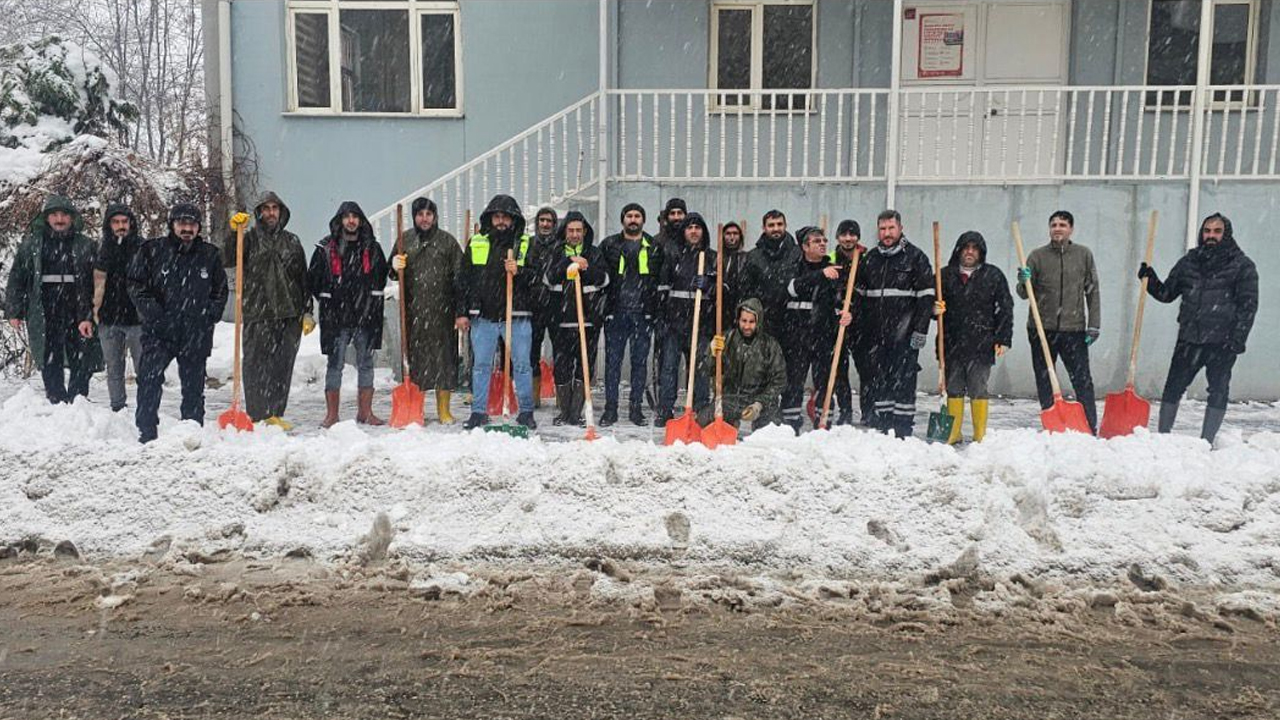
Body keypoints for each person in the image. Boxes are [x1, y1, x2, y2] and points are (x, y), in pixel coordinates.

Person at [1139, 213, 1258, 444]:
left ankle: (1206, 440)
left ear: (1226, 234)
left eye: (1216, 231)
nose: (1210, 236)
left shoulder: (1242, 265)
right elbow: (1167, 294)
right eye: (1207, 231)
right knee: (1172, 388)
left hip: (1222, 342)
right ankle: (1164, 437)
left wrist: (1237, 339)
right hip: (1189, 338)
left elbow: (1248, 306)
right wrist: (1149, 280)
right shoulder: (1189, 262)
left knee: (1218, 390)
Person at [129, 203, 228, 443]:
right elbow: (136, 285)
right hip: (159, 332)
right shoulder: (152, 251)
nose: (187, 229)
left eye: (192, 224)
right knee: (149, 380)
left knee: (194, 387)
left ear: (198, 228)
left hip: (196, 332)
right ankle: (146, 432)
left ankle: (192, 432)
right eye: (182, 223)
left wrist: (209, 315)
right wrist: (155, 315)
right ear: (172, 225)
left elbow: (220, 291)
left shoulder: (210, 255)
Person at [5, 195, 102, 404]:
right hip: (44, 308)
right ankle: (56, 398)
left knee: (82, 353)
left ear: (71, 218)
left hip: (78, 307)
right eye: (55, 215)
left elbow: (99, 280)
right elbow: (17, 277)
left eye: (64, 215)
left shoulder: (86, 245)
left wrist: (97, 308)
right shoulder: (32, 244)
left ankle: (78, 400)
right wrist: (14, 311)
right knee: (50, 354)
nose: (59, 219)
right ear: (47, 218)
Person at [225, 192, 310, 430]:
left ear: (281, 212)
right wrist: (234, 233)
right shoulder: (248, 239)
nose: (271, 212)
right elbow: (228, 258)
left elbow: (303, 278)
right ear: (259, 212)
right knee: (255, 364)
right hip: (257, 313)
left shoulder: (292, 241)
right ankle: (257, 414)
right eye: (267, 208)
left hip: (288, 314)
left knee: (282, 366)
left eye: (275, 208)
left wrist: (308, 311)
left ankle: (275, 413)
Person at [1016, 210, 1101, 433]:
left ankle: (1089, 426)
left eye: (1062, 224)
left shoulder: (1083, 255)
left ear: (1071, 229)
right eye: (1053, 224)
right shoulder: (1037, 256)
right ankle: (1052, 423)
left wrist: (1094, 324)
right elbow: (1024, 294)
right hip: (1041, 329)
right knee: (1045, 380)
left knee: (1082, 380)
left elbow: (1092, 291)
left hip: (1073, 329)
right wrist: (1024, 281)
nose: (1057, 228)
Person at [854, 210, 934, 438]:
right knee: (880, 381)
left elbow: (926, 297)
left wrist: (920, 329)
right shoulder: (870, 259)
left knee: (904, 382)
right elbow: (858, 297)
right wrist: (856, 324)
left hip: (905, 336)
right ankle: (884, 424)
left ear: (900, 228)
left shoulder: (915, 257)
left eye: (891, 228)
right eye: (882, 229)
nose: (887, 233)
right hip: (876, 335)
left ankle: (902, 428)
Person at [308, 201, 389, 428]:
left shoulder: (372, 248)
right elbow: (313, 279)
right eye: (346, 217)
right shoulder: (325, 248)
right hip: (336, 318)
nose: (351, 221)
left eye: (355, 216)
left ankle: (366, 412)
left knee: (366, 363)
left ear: (361, 220)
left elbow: (382, 276)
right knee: (335, 365)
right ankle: (332, 415)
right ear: (340, 220)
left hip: (366, 316)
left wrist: (366, 300)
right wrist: (330, 298)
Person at [460, 194, 537, 430]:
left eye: (506, 217)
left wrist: (520, 271)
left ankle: (525, 412)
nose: (501, 221)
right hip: (484, 316)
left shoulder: (525, 244)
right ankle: (478, 412)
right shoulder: (477, 243)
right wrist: (462, 312)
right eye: (497, 217)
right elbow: (463, 280)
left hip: (517, 316)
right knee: (481, 365)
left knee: (522, 365)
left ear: (514, 220)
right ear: (490, 219)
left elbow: (537, 276)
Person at [389, 197, 465, 424]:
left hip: (443, 313)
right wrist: (395, 265)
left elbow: (460, 279)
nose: (424, 219)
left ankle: (444, 410)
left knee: (445, 362)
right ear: (414, 217)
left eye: (429, 214)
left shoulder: (447, 243)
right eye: (420, 214)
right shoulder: (405, 241)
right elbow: (391, 273)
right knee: (416, 362)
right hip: (414, 313)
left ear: (435, 217)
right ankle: (416, 408)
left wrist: (459, 311)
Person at [936, 231, 1014, 443]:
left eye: (974, 248)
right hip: (951, 342)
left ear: (981, 252)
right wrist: (934, 310)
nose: (970, 252)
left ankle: (980, 433)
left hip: (981, 343)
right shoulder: (944, 276)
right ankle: (954, 432)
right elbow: (929, 305)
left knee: (978, 387)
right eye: (966, 247)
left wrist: (1003, 338)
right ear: (959, 250)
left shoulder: (993, 276)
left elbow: (1005, 308)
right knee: (953, 387)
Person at [543, 211, 609, 426]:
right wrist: (568, 262)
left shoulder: (594, 253)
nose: (574, 234)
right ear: (564, 231)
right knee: (562, 367)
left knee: (584, 366)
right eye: (570, 230)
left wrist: (586, 267)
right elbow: (548, 277)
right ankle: (564, 411)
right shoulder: (555, 252)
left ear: (585, 232)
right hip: (560, 320)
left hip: (588, 321)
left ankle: (578, 411)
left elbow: (604, 279)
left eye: (578, 230)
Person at [598, 202, 661, 426]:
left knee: (639, 363)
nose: (633, 219)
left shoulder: (653, 246)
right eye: (629, 216)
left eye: (637, 216)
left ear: (643, 220)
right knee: (612, 364)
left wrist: (653, 311)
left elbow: (657, 282)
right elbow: (601, 279)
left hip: (642, 314)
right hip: (616, 313)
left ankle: (636, 409)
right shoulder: (609, 245)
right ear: (623, 219)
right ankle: (610, 409)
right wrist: (605, 309)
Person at [780, 226, 847, 433]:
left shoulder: (835, 269)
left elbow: (843, 300)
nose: (822, 244)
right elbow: (791, 288)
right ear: (805, 246)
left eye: (824, 240)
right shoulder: (793, 266)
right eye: (817, 241)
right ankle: (790, 424)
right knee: (794, 382)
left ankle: (823, 422)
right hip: (796, 335)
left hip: (823, 336)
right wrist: (820, 275)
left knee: (825, 382)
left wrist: (847, 312)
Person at [656, 213, 717, 427]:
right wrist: (662, 319)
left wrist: (709, 285)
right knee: (669, 367)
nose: (693, 231)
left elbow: (723, 290)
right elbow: (662, 289)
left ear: (703, 232)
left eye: (697, 228)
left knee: (700, 369)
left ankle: (700, 409)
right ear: (684, 231)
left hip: (701, 325)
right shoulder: (673, 255)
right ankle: (665, 410)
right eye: (689, 227)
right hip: (675, 323)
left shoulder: (711, 257)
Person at [702, 297, 786, 433]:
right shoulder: (726, 339)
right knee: (704, 421)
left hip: (760, 400)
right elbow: (709, 370)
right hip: (731, 399)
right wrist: (711, 354)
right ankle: (730, 424)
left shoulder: (770, 346)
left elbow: (779, 381)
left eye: (751, 322)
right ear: (738, 320)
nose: (747, 326)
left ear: (758, 322)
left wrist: (759, 404)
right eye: (744, 321)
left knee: (772, 430)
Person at [93, 203, 144, 412]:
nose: (121, 226)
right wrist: (94, 312)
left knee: (144, 367)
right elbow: (95, 283)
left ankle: (146, 407)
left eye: (124, 221)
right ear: (109, 225)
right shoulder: (103, 249)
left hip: (138, 319)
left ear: (131, 223)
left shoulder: (143, 247)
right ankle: (117, 407)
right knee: (114, 368)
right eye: (116, 222)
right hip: (109, 319)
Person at [740, 209, 800, 336]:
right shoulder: (753, 256)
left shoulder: (798, 254)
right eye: (771, 225)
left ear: (785, 225)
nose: (776, 228)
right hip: (764, 321)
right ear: (764, 227)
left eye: (779, 224)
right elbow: (746, 290)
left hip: (793, 322)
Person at [830, 219, 864, 426]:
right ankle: (845, 410)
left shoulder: (866, 259)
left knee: (866, 369)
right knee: (839, 369)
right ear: (838, 237)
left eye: (852, 234)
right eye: (844, 234)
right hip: (837, 321)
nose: (848, 238)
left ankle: (869, 410)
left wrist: (855, 311)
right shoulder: (831, 258)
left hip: (860, 322)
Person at [524, 206, 559, 406]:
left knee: (560, 352)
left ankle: (562, 398)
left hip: (556, 307)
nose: (545, 224)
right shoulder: (528, 245)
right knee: (532, 353)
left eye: (549, 221)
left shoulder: (560, 246)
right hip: (533, 306)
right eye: (542, 220)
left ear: (554, 225)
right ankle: (534, 398)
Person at [719, 221, 747, 329]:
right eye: (728, 234)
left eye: (735, 234)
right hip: (721, 307)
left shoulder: (746, 258)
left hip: (740, 304)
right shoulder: (716, 258)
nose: (732, 237)